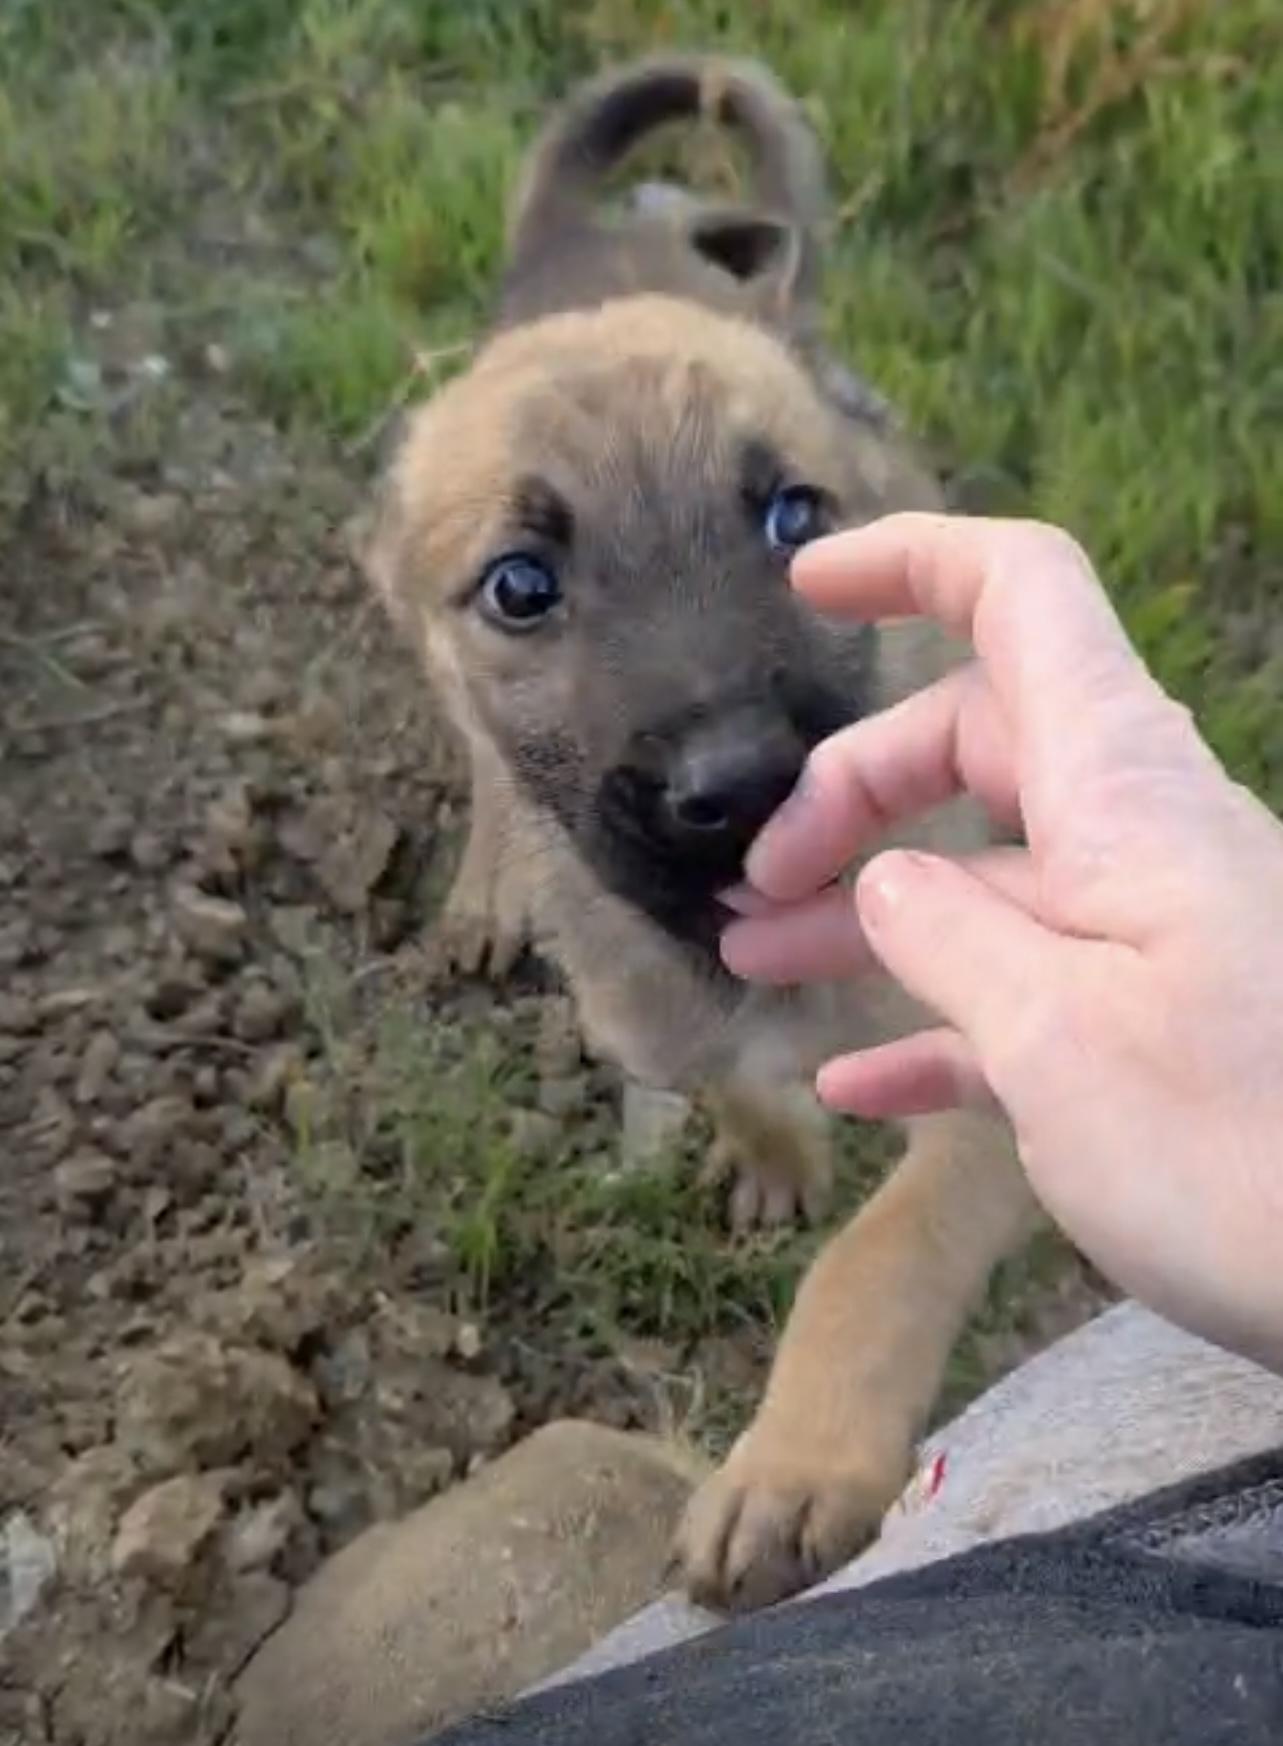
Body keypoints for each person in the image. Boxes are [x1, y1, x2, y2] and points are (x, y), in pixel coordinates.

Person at [432, 515, 1283, 1745]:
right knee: (669, 1028)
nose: (721, 749)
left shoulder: (920, 751)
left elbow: (991, 1127)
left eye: (786, 522)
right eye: (524, 587)